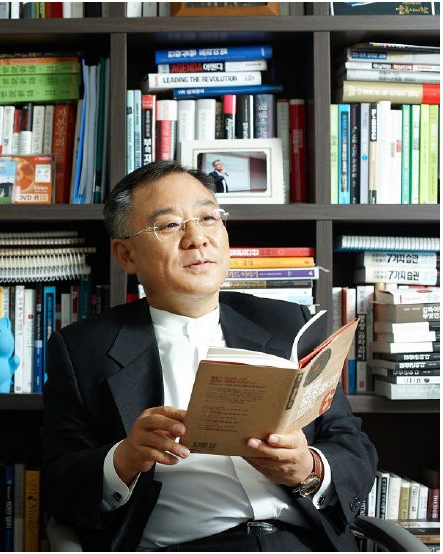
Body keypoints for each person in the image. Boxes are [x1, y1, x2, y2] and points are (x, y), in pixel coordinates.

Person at [42, 160, 378, 552]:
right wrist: (124, 459)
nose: (197, 238)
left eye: (208, 218)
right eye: (170, 225)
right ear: (126, 254)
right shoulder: (82, 350)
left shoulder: (290, 324)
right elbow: (59, 485)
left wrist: (308, 468)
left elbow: (352, 444)